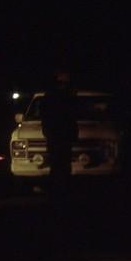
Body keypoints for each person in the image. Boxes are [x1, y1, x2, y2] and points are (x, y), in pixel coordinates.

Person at [40, 69, 78, 198]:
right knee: (60, 163)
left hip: (58, 135)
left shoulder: (52, 97)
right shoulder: (61, 97)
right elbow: (71, 116)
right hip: (59, 134)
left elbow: (46, 117)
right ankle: (60, 189)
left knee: (59, 163)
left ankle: (59, 189)